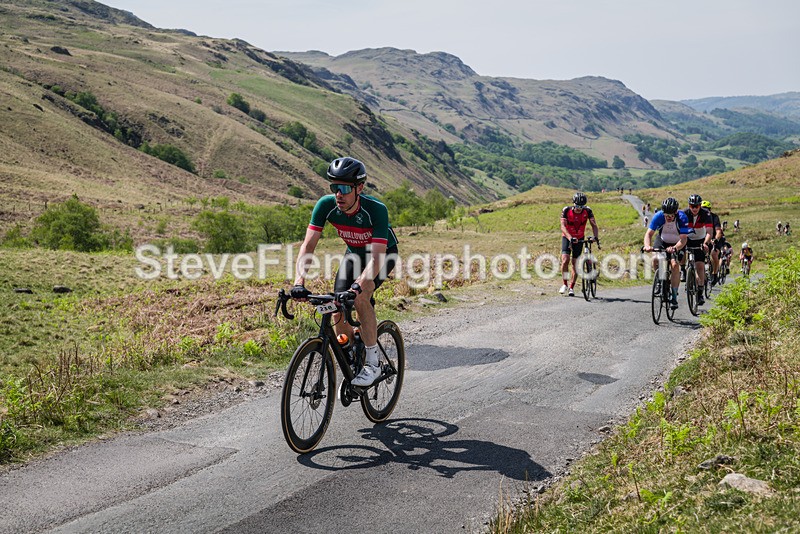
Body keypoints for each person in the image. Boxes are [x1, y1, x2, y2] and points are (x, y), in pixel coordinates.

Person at [291, 157, 399, 387]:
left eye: (344, 188)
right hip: (353, 254)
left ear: (359, 188)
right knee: (337, 305)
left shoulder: (376, 210)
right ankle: (351, 352)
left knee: (360, 297)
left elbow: (378, 255)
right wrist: (298, 282)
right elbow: (308, 246)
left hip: (382, 255)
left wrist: (360, 284)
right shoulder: (326, 205)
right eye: (334, 187)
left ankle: (372, 363)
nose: (338, 194)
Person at [643, 197, 690, 309]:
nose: (668, 218)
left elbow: (683, 239)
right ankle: (660, 280)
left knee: (674, 265)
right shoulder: (659, 216)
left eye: (671, 216)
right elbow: (649, 234)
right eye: (666, 215)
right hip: (663, 240)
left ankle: (674, 296)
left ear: (676, 213)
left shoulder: (682, 218)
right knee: (655, 258)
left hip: (677, 242)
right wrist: (647, 246)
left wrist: (675, 248)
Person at [559, 192, 600, 297]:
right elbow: (563, 226)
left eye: (581, 206)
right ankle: (565, 284)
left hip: (580, 238)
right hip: (567, 237)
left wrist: (595, 236)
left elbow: (594, 225)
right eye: (577, 206)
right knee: (565, 260)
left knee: (575, 263)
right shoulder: (566, 210)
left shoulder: (588, 211)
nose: (579, 208)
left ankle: (572, 287)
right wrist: (569, 237)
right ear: (573, 203)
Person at [681, 194, 714, 306]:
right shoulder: (684, 213)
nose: (694, 208)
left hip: (700, 240)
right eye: (692, 206)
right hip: (687, 239)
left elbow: (709, 231)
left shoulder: (706, 214)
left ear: (700, 206)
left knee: (700, 266)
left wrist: (705, 243)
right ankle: (683, 271)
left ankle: (700, 292)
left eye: (696, 206)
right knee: (680, 253)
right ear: (689, 205)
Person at [701, 200, 724, 286]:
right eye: (703, 209)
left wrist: (715, 239)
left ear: (710, 210)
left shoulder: (714, 217)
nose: (705, 211)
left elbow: (718, 231)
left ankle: (715, 274)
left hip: (714, 239)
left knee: (714, 254)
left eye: (706, 209)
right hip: (704, 239)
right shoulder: (699, 217)